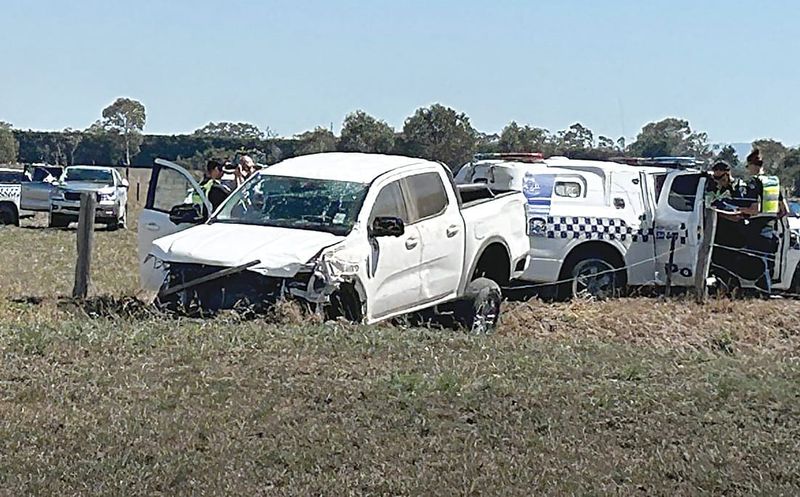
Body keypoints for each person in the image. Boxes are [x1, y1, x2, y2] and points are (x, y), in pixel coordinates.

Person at [738, 148, 788, 293]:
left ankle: (763, 294)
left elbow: (755, 209)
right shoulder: (773, 182)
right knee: (767, 262)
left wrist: (739, 211)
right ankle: (766, 292)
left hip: (757, 228)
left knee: (758, 263)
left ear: (752, 166)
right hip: (772, 228)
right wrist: (771, 216)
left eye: (747, 166)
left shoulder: (754, 183)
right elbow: (784, 210)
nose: (747, 170)